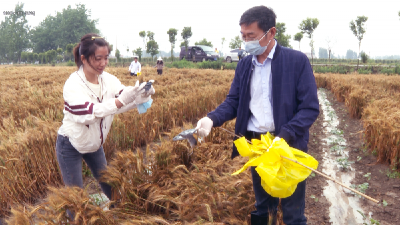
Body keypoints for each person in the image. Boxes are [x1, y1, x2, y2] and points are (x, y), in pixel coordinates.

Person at [195, 6, 319, 225]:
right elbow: (234, 101)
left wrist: (285, 135)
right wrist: (211, 119)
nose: (246, 41)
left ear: (270, 33)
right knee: (263, 208)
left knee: (292, 211)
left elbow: (309, 108)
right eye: (243, 36)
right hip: (258, 146)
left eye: (251, 36)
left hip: (288, 146)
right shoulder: (244, 65)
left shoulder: (296, 61)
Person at [56, 33, 155, 219]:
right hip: (71, 144)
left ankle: (124, 215)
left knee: (111, 183)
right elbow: (88, 113)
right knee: (75, 197)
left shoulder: (107, 79)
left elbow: (123, 93)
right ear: (84, 59)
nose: (103, 63)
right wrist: (119, 102)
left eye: (106, 58)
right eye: (98, 58)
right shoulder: (73, 85)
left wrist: (141, 94)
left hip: (94, 144)